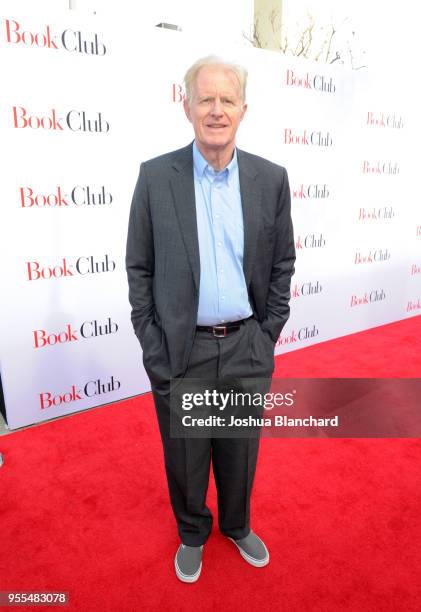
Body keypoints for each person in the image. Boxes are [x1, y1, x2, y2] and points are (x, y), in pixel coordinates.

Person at [126, 55, 295, 583]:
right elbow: (140, 269)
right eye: (205, 99)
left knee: (239, 451)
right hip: (182, 350)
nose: (216, 110)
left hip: (246, 344)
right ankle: (193, 531)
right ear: (186, 107)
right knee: (186, 455)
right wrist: (156, 350)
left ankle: (237, 524)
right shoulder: (156, 178)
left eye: (227, 100)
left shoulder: (271, 179)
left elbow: (282, 263)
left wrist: (266, 335)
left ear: (244, 109)